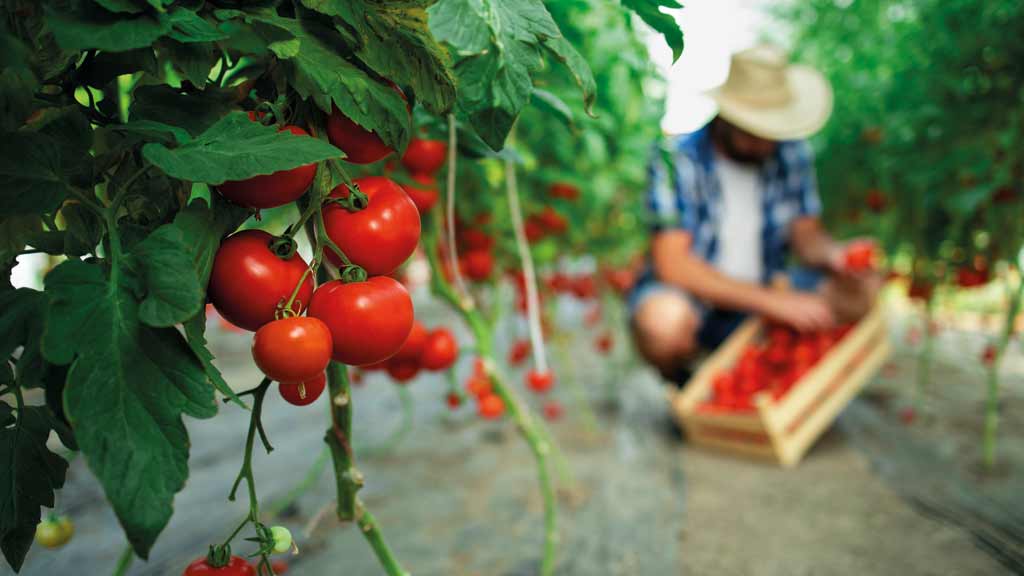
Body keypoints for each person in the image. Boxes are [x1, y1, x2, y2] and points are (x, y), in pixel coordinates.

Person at [630, 45, 882, 385]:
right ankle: (688, 381)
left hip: (769, 288)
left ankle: (781, 372)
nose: (767, 143)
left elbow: (806, 236)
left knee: (864, 290)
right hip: (700, 302)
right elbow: (673, 264)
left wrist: (834, 255)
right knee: (662, 322)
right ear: (728, 117)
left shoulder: (790, 153)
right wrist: (774, 302)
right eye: (755, 131)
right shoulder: (675, 159)